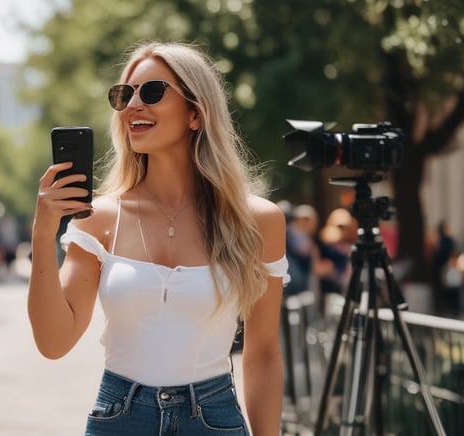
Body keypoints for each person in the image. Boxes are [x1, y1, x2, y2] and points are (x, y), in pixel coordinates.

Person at [28, 42, 288, 435]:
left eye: (151, 92)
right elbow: (53, 342)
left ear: (195, 114)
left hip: (213, 420)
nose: (133, 105)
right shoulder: (99, 217)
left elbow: (264, 354)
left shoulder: (257, 221)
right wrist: (42, 233)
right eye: (124, 95)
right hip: (119, 419)